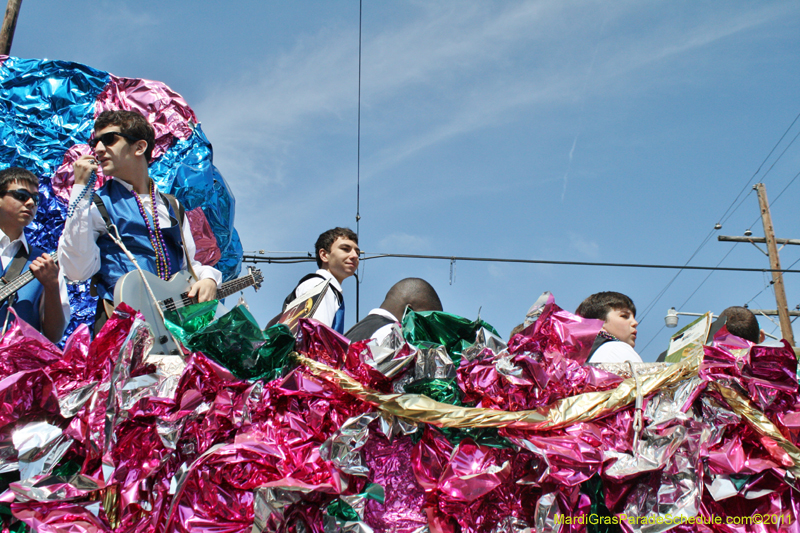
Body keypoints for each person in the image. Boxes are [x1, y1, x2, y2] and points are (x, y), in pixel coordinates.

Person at [58, 110, 221, 333]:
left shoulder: (172, 206)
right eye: (95, 143)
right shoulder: (95, 204)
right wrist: (79, 190)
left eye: (109, 139)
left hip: (174, 328)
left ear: (139, 147)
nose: (98, 149)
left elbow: (188, 267)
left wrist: (209, 279)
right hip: (121, 327)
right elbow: (76, 271)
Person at [0, 167, 70, 342]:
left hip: (20, 359)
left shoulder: (45, 263)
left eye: (36, 199)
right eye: (21, 196)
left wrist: (51, 285)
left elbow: (54, 336)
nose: (31, 203)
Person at [284, 227, 359, 334]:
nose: (355, 256)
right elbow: (317, 338)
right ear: (324, 255)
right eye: (345, 249)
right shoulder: (319, 286)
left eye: (357, 252)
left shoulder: (327, 288)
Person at [345, 277, 442, 343]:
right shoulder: (391, 334)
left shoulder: (352, 332)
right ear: (409, 312)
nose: (426, 334)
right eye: (425, 323)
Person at [576, 291, 642, 364]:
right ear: (599, 323)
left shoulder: (576, 360)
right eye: (624, 316)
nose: (635, 323)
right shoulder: (616, 349)